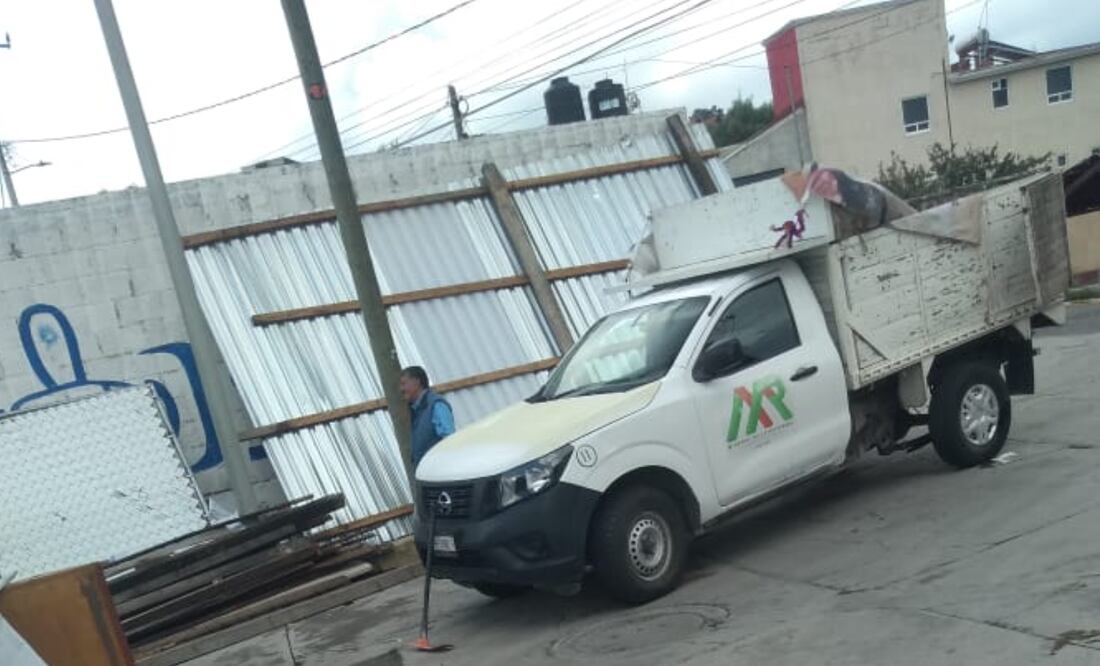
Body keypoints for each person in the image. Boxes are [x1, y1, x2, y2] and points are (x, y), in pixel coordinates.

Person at [399, 366, 455, 467]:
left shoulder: (436, 405)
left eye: (404, 384)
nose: (401, 389)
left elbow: (450, 440)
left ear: (417, 382)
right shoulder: (415, 411)